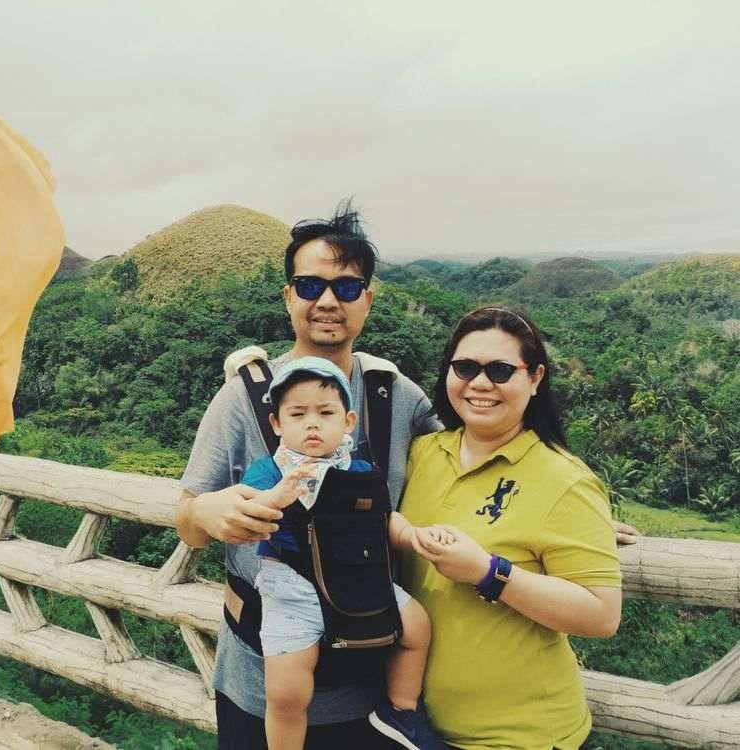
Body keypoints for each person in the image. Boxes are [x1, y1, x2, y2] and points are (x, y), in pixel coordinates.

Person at [175, 202, 441, 748]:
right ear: (289, 296)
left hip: (370, 685)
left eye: (346, 287)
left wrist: (562, 512)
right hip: (258, 682)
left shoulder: (395, 396)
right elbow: (187, 519)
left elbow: (480, 452)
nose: (326, 301)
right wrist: (208, 511)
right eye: (309, 284)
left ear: (367, 297)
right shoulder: (244, 398)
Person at [395, 306, 623, 750]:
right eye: (465, 367)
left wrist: (488, 572)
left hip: (518, 734)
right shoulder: (421, 454)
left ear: (534, 378)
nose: (480, 384)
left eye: (500, 370)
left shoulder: (565, 481)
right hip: (417, 726)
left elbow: (602, 615)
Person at [244, 356, 448, 750]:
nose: (312, 423)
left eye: (325, 412)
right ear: (277, 424)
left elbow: (383, 519)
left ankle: (401, 711)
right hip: (291, 590)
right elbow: (249, 515)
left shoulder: (357, 469)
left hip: (357, 577)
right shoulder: (269, 471)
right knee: (287, 692)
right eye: (298, 413)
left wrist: (412, 537)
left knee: (417, 627)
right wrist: (276, 498)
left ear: (348, 421)